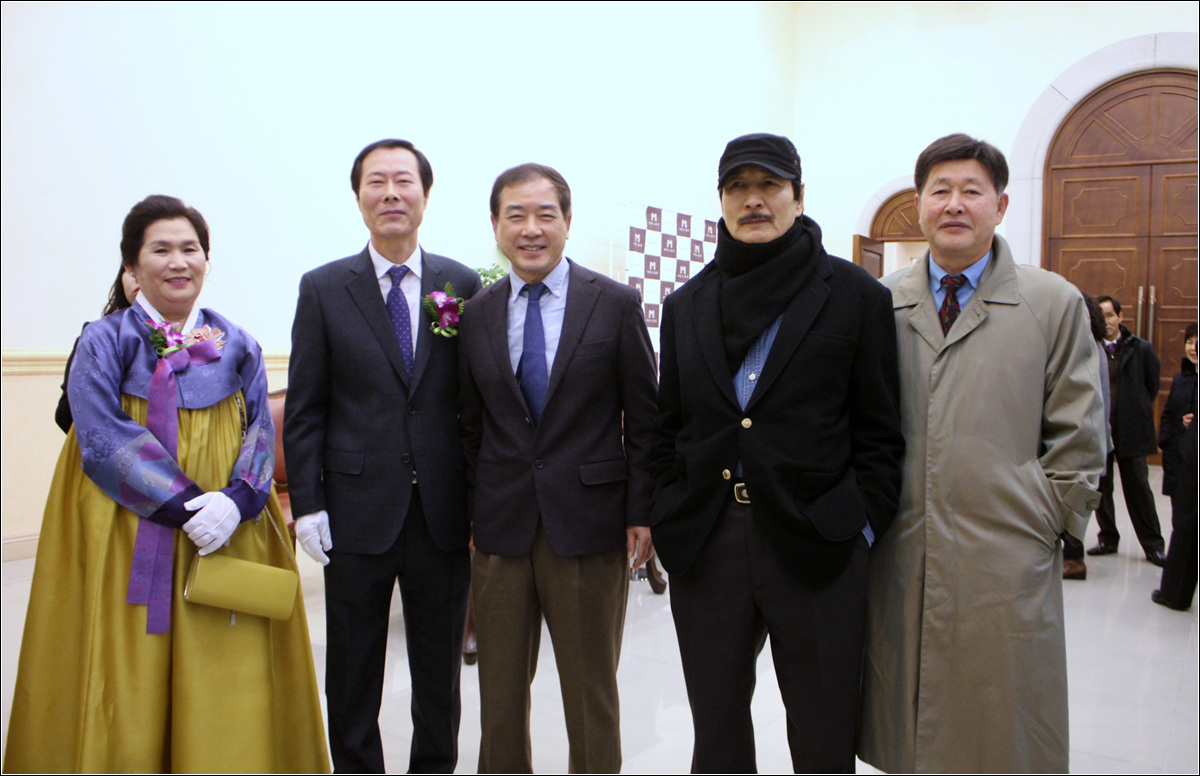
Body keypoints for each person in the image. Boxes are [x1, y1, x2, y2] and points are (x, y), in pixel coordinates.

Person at [4, 195, 329, 773]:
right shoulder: (104, 341)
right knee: (127, 659)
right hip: (125, 528)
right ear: (132, 265)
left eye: (190, 248)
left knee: (223, 659)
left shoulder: (238, 343)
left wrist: (238, 501)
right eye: (161, 250)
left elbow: (260, 430)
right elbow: (100, 437)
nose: (178, 261)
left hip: (226, 529)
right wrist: (188, 507)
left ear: (206, 260)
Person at [650, 133, 904, 772]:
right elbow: (668, 424)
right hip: (709, 539)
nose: (753, 200)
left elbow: (880, 431)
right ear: (721, 201)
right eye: (738, 187)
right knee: (716, 731)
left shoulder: (856, 296)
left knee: (823, 733)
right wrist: (669, 507)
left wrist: (859, 527)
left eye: (769, 185)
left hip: (817, 540)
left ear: (798, 196)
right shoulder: (687, 305)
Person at [858, 134, 1105, 773]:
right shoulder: (880, 301)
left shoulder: (1051, 303)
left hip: (1007, 548)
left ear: (1000, 204)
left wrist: (1045, 519)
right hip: (901, 546)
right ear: (919, 204)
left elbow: (1080, 432)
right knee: (906, 721)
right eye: (940, 190)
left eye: (972, 191)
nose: (955, 205)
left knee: (1000, 723)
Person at [284, 139, 481, 773]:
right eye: (376, 181)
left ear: (425, 194)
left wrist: (481, 501)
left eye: (403, 180)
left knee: (439, 670)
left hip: (442, 512)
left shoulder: (462, 284)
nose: (391, 193)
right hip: (354, 511)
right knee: (352, 666)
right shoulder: (323, 288)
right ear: (359, 197)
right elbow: (307, 408)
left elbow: (475, 404)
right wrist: (308, 504)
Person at [458, 163, 657, 773]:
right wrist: (471, 514)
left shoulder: (614, 304)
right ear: (496, 225)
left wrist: (643, 513)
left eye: (545, 214)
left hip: (589, 523)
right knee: (498, 697)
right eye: (515, 215)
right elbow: (470, 425)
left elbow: (646, 421)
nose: (531, 229)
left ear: (568, 221)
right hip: (501, 528)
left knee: (590, 692)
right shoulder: (478, 313)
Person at [1088, 295, 1166, 564]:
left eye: (1110, 315)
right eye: (1101, 316)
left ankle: (1153, 545)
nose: (1106, 321)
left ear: (1120, 317)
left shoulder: (1141, 348)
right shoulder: (1090, 347)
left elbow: (1151, 385)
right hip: (1100, 430)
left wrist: (1135, 409)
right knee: (1100, 489)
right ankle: (1107, 538)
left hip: (1131, 429)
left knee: (1139, 489)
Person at [1062, 294, 1114, 580]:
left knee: (1081, 500)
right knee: (1081, 500)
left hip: (1087, 438)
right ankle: (1073, 554)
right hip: (1093, 438)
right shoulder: (1094, 346)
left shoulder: (1089, 348)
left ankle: (1074, 558)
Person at [54, 267, 139, 432]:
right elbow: (64, 417)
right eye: (131, 271)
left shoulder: (193, 335)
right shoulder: (97, 337)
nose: (136, 277)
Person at [1152, 322, 1197, 610]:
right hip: (1181, 458)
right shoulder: (1182, 378)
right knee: (1182, 523)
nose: (1193, 347)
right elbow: (1169, 414)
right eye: (1190, 341)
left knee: (1187, 526)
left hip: (1193, 460)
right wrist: (1168, 441)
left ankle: (1175, 592)